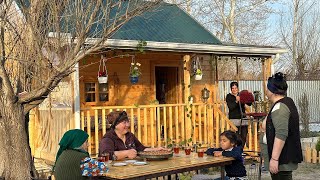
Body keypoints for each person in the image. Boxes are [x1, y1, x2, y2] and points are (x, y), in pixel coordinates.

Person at [265, 72, 303, 180]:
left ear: (272, 91)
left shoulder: (280, 107)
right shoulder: (285, 102)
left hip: (282, 160)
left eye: (267, 88)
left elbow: (281, 134)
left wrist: (274, 159)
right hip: (282, 160)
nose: (266, 91)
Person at [99, 111, 168, 160]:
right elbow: (105, 155)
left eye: (127, 122)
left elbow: (141, 148)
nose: (128, 125)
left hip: (131, 170)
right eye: (124, 122)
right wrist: (126, 153)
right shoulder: (108, 138)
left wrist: (157, 149)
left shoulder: (130, 136)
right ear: (115, 125)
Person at [226, 81, 248, 147]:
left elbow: (248, 103)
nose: (234, 90)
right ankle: (237, 149)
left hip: (243, 118)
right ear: (231, 89)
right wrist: (236, 101)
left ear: (238, 88)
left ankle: (241, 149)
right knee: (237, 136)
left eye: (235, 88)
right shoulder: (229, 96)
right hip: (234, 118)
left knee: (244, 135)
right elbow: (231, 107)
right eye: (233, 88)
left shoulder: (241, 95)